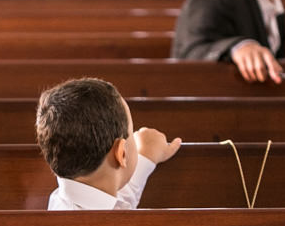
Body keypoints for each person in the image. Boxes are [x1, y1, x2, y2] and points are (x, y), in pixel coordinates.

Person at [36, 78, 181, 211]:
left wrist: (146, 157)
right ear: (122, 152)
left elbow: (109, 196)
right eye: (131, 133)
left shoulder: (61, 200)